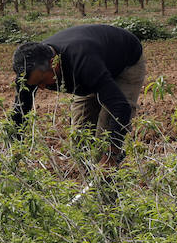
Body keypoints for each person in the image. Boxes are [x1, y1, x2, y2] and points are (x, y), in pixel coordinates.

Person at [11, 24, 146, 165]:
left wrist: (110, 155)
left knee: (104, 137)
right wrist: (14, 153)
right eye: (36, 85)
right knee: (80, 138)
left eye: (43, 81)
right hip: (91, 73)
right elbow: (20, 112)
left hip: (125, 63)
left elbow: (120, 108)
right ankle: (90, 183)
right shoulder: (29, 73)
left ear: (53, 63)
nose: (43, 88)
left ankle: (108, 179)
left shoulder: (83, 61)